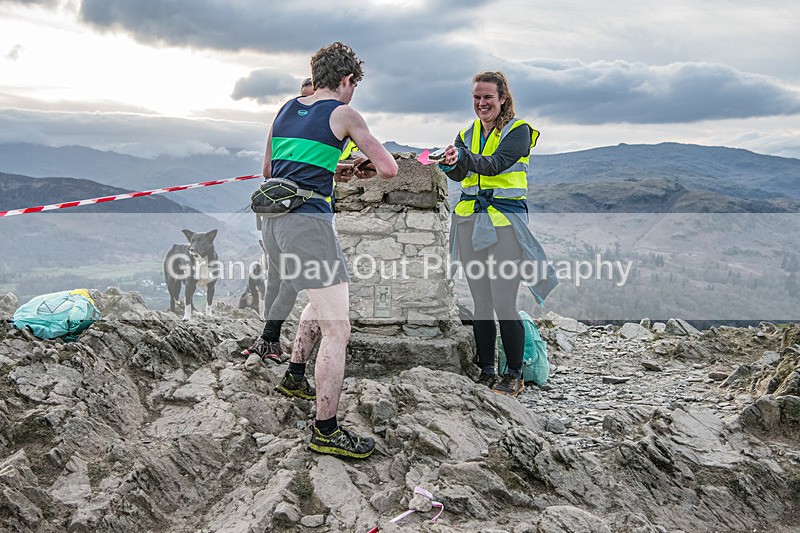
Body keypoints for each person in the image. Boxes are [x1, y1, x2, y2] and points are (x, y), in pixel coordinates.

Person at [258, 41, 398, 459]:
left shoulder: (286, 108)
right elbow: (389, 168)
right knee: (339, 328)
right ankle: (326, 429)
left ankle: (296, 374)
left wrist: (331, 167)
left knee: (321, 302)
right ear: (346, 80)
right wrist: (361, 164)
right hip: (309, 226)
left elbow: (269, 170)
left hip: (273, 222)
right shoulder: (344, 112)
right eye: (354, 83)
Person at [438, 71, 557, 398]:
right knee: (481, 303)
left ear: (503, 98)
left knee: (504, 301)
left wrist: (463, 157)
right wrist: (449, 163)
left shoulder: (519, 131)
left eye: (487, 97)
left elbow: (495, 164)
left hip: (504, 225)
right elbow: (462, 172)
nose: (481, 103)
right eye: (476, 97)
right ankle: (487, 369)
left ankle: (514, 374)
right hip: (469, 222)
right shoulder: (466, 133)